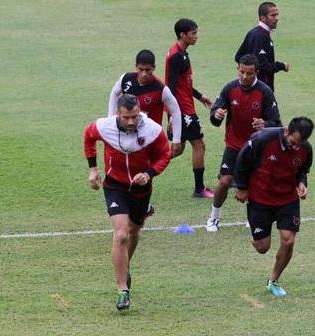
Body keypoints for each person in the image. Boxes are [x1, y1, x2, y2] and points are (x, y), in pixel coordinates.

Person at [84, 94, 171, 311]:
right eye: (126, 117)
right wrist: (93, 169)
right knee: (121, 233)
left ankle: (124, 265)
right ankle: (123, 289)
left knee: (134, 231)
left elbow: (165, 154)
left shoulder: (152, 130)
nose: (131, 121)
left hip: (141, 189)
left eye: (134, 116)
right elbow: (88, 136)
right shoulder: (104, 127)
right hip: (115, 186)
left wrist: (150, 173)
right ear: (117, 114)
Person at [234, 117, 314, 298]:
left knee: (288, 240)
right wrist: (241, 187)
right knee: (262, 247)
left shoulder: (306, 149)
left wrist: (302, 183)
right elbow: (242, 160)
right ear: (286, 131)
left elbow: (303, 169)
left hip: (287, 199)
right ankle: (256, 234)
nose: (295, 148)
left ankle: (274, 280)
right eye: (293, 143)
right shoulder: (262, 140)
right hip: (260, 198)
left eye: (299, 145)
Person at [205, 54, 282, 232]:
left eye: (250, 73)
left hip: (256, 146)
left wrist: (265, 124)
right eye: (242, 72)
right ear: (237, 70)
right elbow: (216, 113)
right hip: (233, 144)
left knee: (256, 183)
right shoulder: (230, 88)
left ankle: (254, 217)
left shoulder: (265, 92)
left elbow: (276, 123)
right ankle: (214, 217)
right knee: (225, 181)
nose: (245, 77)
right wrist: (216, 115)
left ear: (256, 72)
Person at [165, 18, 214, 198]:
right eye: (193, 33)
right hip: (182, 110)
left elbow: (181, 84)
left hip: (183, 107)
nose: (196, 36)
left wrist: (201, 96)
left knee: (177, 150)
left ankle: (144, 169)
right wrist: (172, 114)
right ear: (182, 35)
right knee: (199, 145)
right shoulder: (177, 56)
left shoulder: (180, 52)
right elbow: (169, 86)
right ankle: (199, 189)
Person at [108, 49, 183, 158]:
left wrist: (176, 139)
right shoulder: (126, 79)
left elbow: (175, 109)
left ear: (154, 68)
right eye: (141, 69)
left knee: (144, 170)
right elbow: (114, 93)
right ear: (136, 67)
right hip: (127, 132)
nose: (144, 74)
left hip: (148, 136)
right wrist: (111, 118)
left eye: (148, 70)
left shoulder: (160, 89)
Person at [235, 2, 290, 92]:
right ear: (263, 18)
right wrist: (282, 66)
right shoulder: (259, 36)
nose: (276, 18)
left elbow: (238, 56)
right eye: (273, 15)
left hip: (254, 89)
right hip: (260, 91)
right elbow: (262, 65)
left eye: (277, 15)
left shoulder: (254, 33)